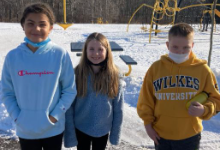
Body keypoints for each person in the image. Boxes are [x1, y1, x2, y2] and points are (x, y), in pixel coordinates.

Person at [1, 3, 77, 150]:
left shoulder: (59, 54)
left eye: (42, 24)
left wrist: (54, 116)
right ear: (23, 25)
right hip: (26, 130)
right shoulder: (12, 57)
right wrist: (18, 117)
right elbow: (7, 92)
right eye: (30, 23)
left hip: (53, 129)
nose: (36, 29)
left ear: (50, 28)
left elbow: (69, 89)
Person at [137, 23, 220, 150]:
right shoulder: (156, 68)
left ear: (192, 46)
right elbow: (146, 99)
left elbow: (216, 100)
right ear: (167, 45)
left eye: (186, 47)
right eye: (175, 47)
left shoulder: (203, 70)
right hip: (161, 134)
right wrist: (148, 124)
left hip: (190, 136)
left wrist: (204, 110)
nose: (180, 52)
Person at [64, 32, 124, 150]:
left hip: (103, 130)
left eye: (100, 49)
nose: (96, 53)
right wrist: (70, 135)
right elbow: (69, 107)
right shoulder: (77, 74)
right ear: (85, 51)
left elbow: (118, 108)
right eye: (91, 49)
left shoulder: (114, 76)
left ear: (107, 51)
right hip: (81, 128)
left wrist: (115, 134)